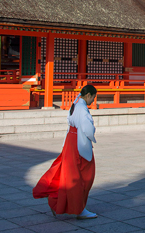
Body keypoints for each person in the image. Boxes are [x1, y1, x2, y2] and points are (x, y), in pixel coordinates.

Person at [33, 85, 98, 219]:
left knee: (68, 174)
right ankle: (78, 208)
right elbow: (87, 128)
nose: (93, 100)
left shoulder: (75, 103)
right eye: (93, 97)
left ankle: (56, 199)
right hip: (78, 143)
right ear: (89, 95)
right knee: (83, 176)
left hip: (71, 140)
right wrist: (93, 135)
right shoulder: (82, 109)